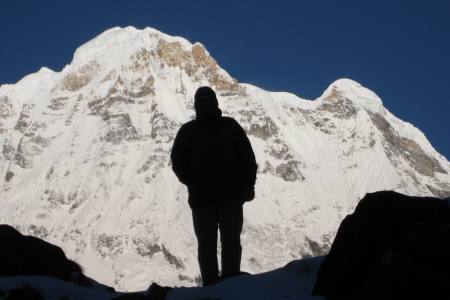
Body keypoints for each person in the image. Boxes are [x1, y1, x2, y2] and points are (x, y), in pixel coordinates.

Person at [171, 86, 257, 286]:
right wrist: (192, 182)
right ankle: (214, 285)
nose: (207, 102)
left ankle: (229, 283)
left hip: (227, 197)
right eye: (203, 99)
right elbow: (178, 162)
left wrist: (248, 185)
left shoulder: (228, 126)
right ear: (197, 104)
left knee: (228, 242)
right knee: (210, 244)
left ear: (216, 102)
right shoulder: (190, 131)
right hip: (207, 199)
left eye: (209, 99)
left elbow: (247, 159)